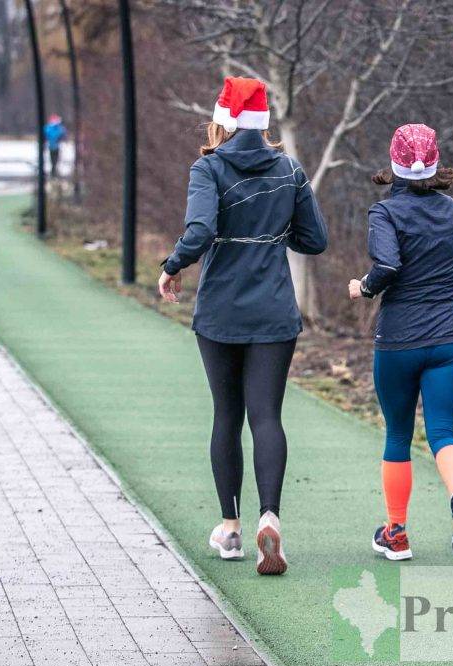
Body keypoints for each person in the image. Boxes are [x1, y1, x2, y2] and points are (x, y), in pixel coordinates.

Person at [157, 77, 328, 576]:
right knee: (267, 417)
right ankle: (269, 518)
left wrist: (173, 265)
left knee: (227, 416)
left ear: (222, 121)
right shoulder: (289, 170)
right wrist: (272, 233)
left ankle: (230, 527)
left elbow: (202, 229)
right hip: (274, 312)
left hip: (220, 312)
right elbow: (314, 240)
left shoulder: (208, 167)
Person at [348, 123, 453, 563]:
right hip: (449, 336)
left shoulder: (384, 214)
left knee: (398, 435)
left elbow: (386, 265)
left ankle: (397, 533)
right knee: (443, 431)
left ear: (394, 165)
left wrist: (364, 288)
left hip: (400, 337)